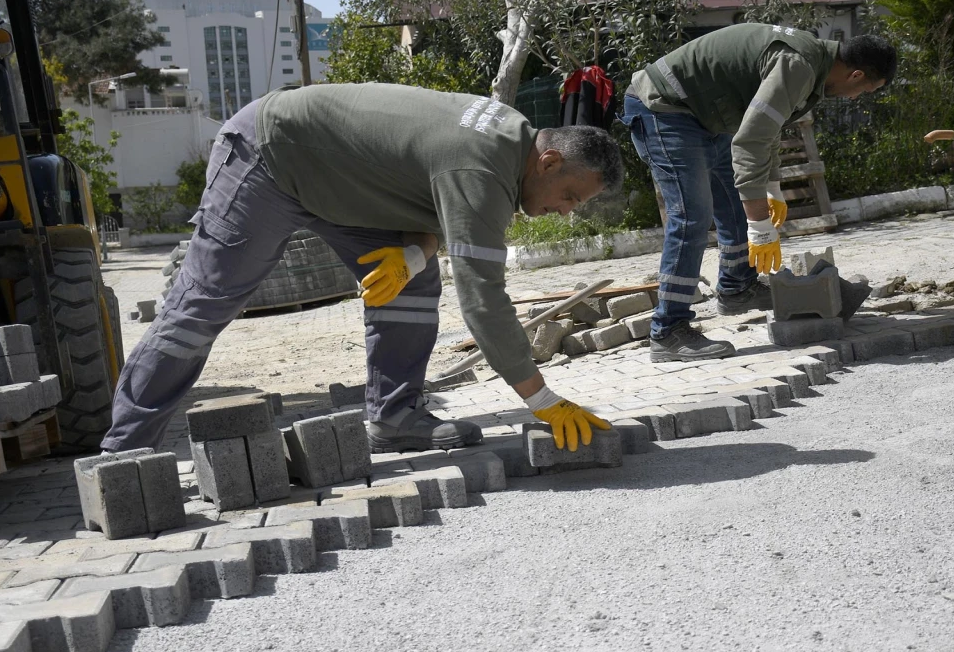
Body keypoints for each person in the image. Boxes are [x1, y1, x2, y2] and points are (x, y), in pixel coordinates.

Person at [101, 83, 623, 455]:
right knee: (204, 305)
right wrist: (542, 399)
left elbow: (426, 206)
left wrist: (414, 254)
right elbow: (482, 299)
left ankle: (396, 419)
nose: (567, 210)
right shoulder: (482, 167)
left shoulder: (510, 145)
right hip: (271, 157)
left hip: (336, 180)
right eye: (570, 195)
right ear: (549, 163)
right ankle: (124, 451)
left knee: (412, 278)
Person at [621, 23, 897, 362]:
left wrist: (772, 186)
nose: (856, 97)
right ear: (856, 75)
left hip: (701, 113)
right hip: (664, 107)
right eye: (865, 91)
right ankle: (668, 331)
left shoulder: (810, 64)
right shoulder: (799, 65)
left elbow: (766, 129)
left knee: (737, 201)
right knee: (693, 217)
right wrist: (761, 228)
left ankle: (737, 288)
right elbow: (750, 142)